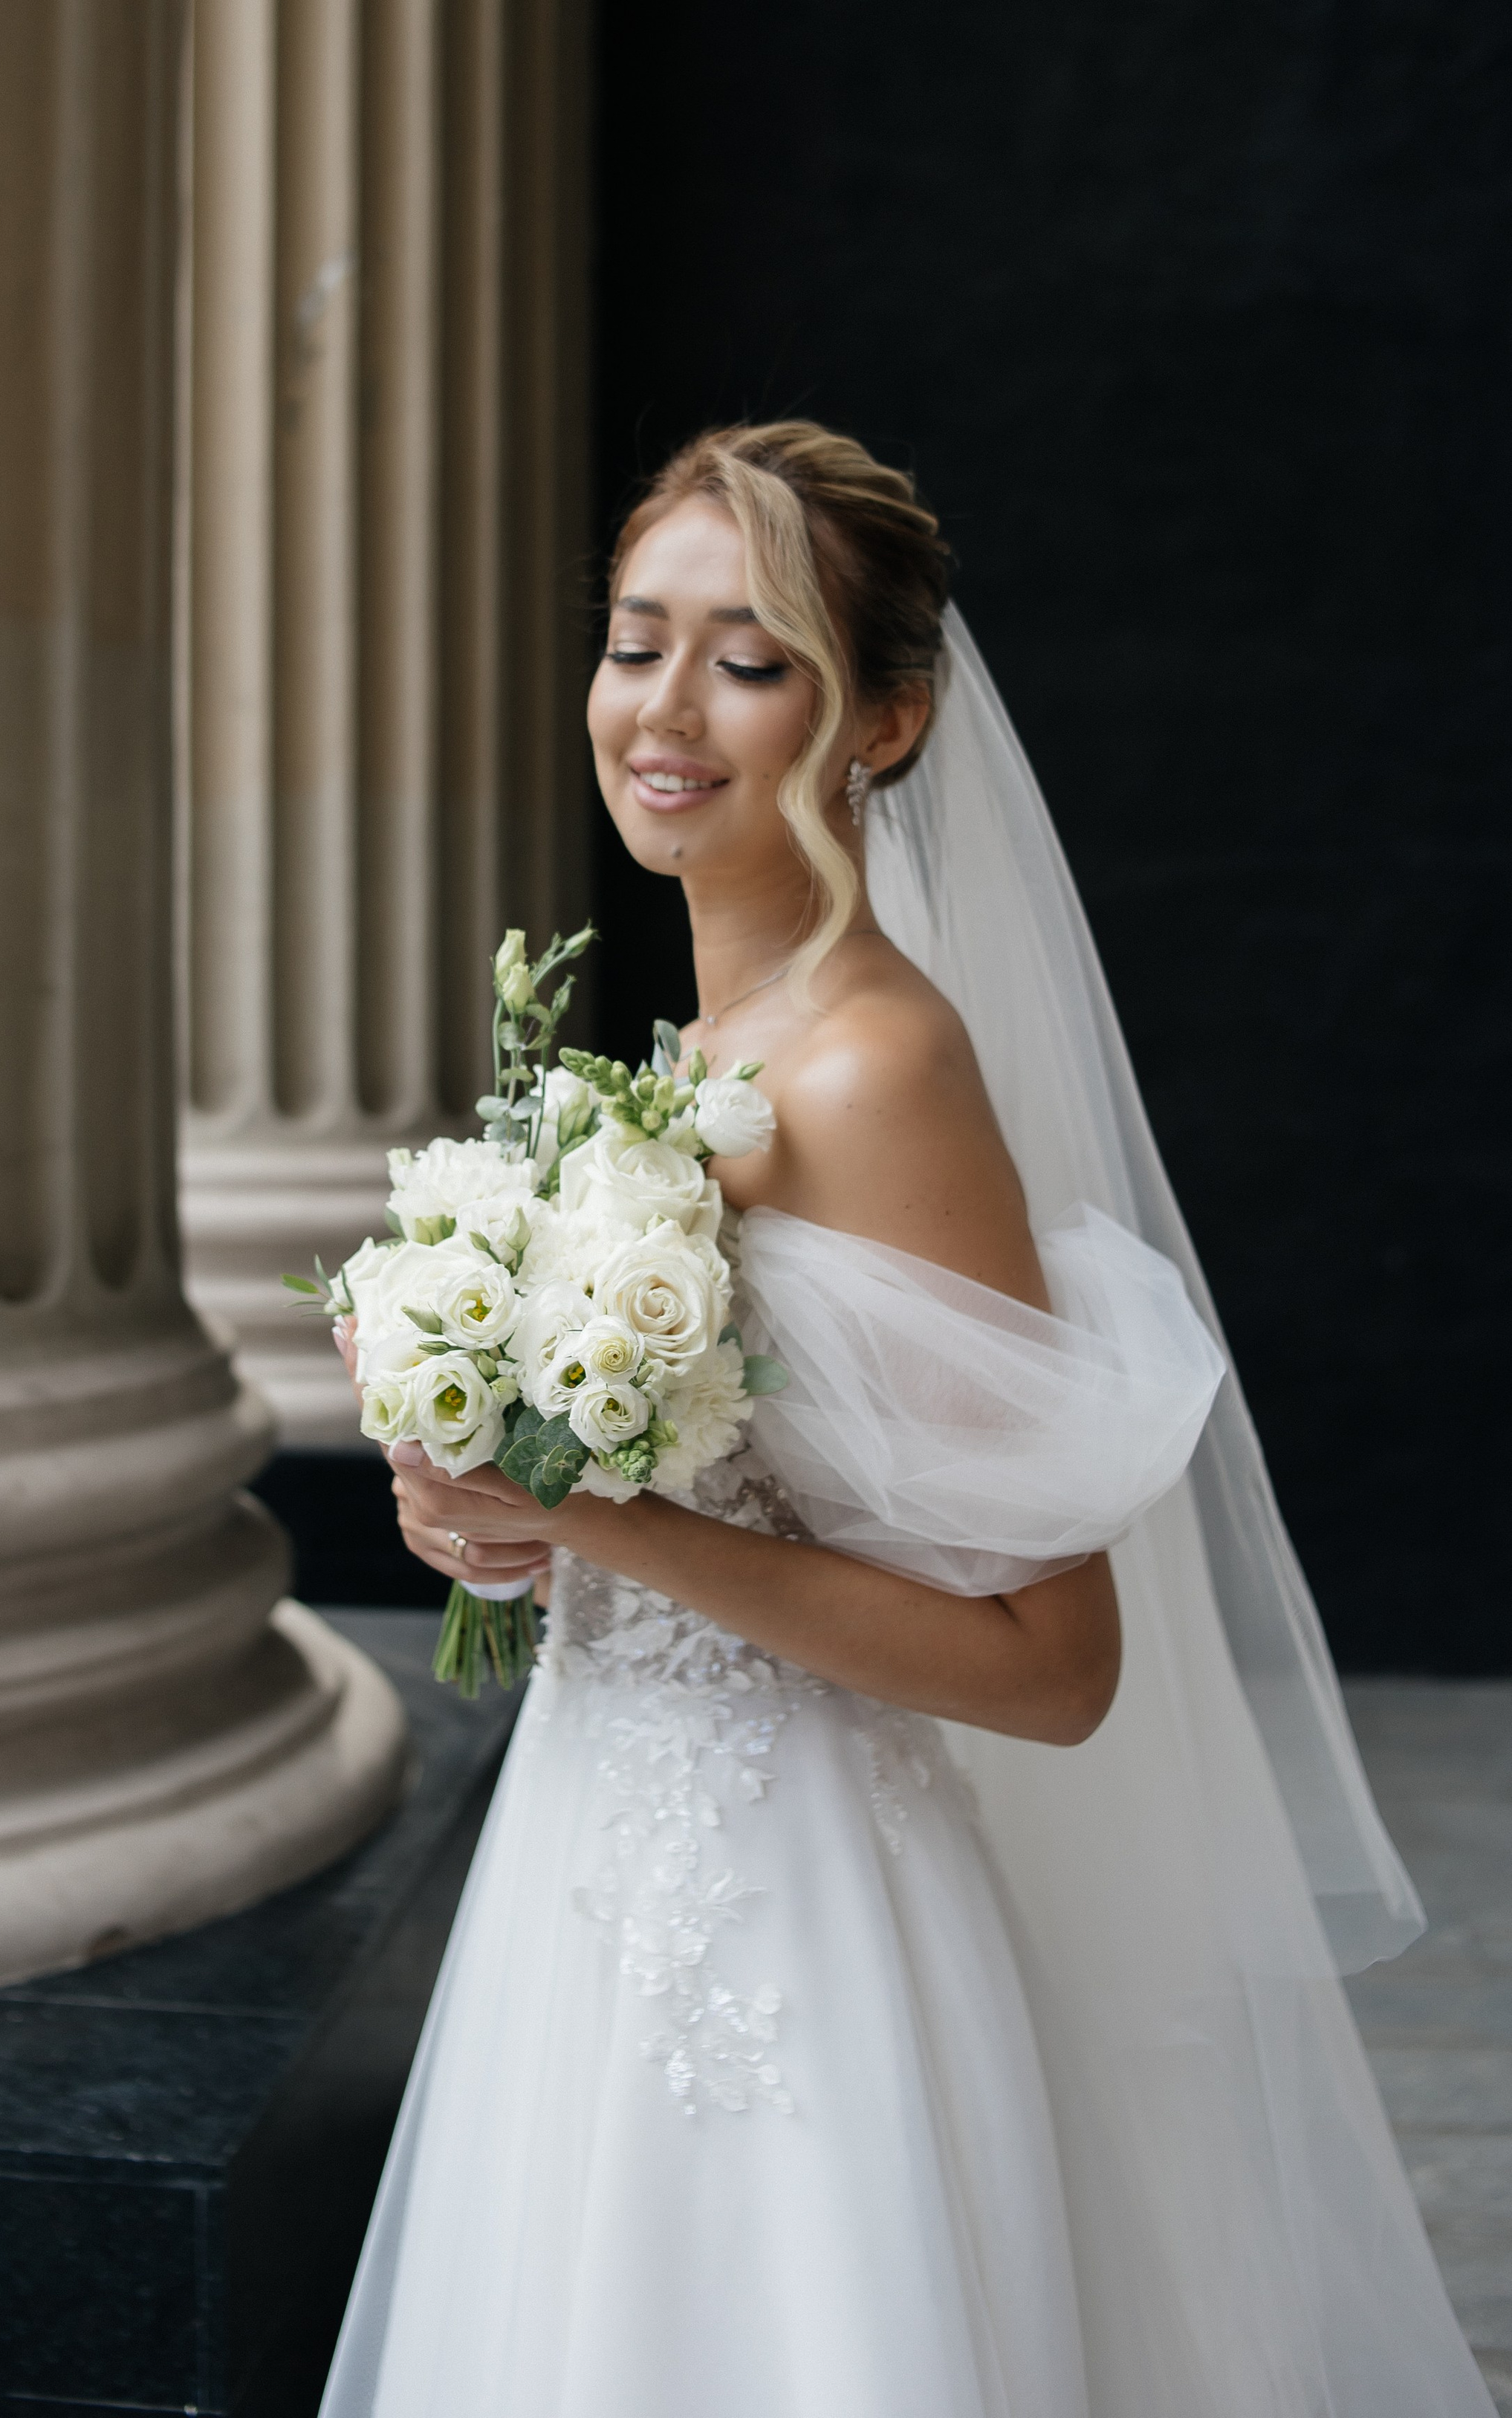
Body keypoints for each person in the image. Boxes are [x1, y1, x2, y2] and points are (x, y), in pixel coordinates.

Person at [319, 421, 1488, 2417]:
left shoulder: (874, 1072)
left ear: (885, 720)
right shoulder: (691, 1051)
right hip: (591, 1869)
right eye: (635, 640)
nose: (664, 709)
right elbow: (705, 1476)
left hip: (796, 1925)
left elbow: (1052, 1668)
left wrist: (599, 1520)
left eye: (750, 659)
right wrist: (493, 1513)